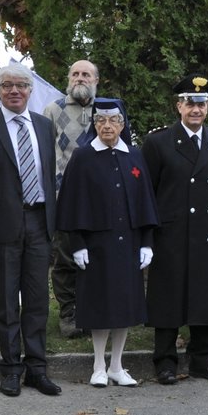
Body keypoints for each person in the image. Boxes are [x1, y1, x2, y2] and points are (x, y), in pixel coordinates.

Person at [0, 65, 59, 397]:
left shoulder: (46, 127)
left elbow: (50, 177)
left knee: (37, 301)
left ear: (30, 90)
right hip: (2, 225)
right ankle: (11, 369)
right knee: (7, 301)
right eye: (7, 85)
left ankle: (37, 368)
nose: (15, 91)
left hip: (39, 222)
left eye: (21, 85)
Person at [58, 97, 155, 387]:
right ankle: (98, 365)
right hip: (96, 247)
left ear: (122, 124)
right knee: (100, 306)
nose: (107, 126)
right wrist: (77, 245)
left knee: (123, 306)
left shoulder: (134, 156)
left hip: (129, 245)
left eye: (113, 121)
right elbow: (72, 204)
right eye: (101, 121)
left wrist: (147, 243)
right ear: (94, 124)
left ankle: (117, 365)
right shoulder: (83, 157)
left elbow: (146, 201)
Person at [143, 74, 208, 385]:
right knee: (168, 298)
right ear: (178, 106)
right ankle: (165, 361)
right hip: (172, 234)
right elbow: (148, 193)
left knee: (206, 297)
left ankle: (202, 360)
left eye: (202, 103)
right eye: (189, 103)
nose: (196, 109)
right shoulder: (158, 142)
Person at [42, 58, 99, 337]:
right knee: (65, 257)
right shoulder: (53, 110)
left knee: (97, 256)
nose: (80, 78)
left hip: (100, 198)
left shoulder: (107, 110)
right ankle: (68, 312)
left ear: (96, 81)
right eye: (75, 74)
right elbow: (44, 154)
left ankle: (93, 310)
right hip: (64, 195)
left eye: (86, 74)